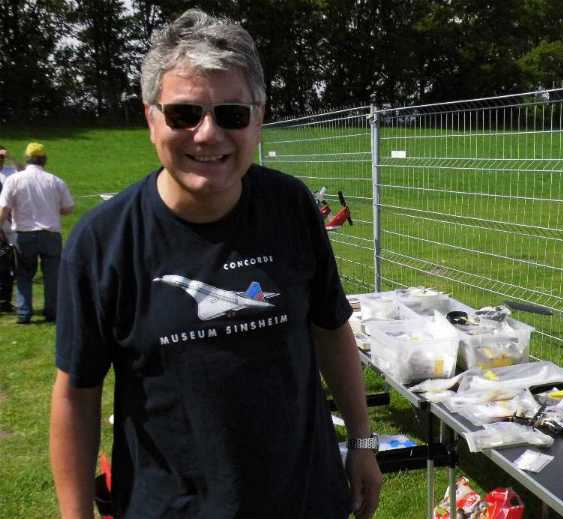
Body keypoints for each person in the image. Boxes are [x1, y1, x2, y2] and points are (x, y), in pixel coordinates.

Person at [50, 8, 382, 519]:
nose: (207, 134)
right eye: (184, 114)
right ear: (151, 118)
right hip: (172, 506)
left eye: (231, 114)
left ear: (258, 119)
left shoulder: (291, 206)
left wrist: (362, 442)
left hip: (305, 497)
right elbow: (77, 393)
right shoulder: (103, 241)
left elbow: (331, 328)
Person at [0, 142, 74, 324]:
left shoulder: (14, 180)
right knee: (52, 275)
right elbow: (68, 208)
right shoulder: (55, 180)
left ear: (26, 159)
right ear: (44, 160)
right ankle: (52, 311)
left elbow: (4, 209)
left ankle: (24, 313)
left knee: (24, 274)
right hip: (50, 234)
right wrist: (53, 209)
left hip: (24, 234)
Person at [0, 145, 19, 312]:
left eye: (1, 157)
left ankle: (5, 300)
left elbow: (26, 172)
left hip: (9, 222)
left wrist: (11, 157)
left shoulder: (10, 171)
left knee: (8, 261)